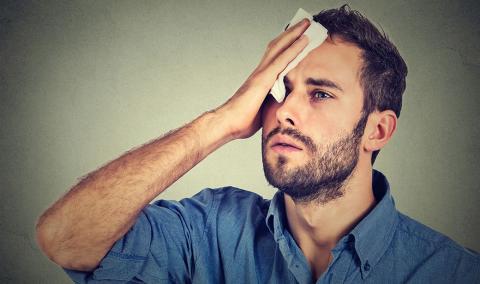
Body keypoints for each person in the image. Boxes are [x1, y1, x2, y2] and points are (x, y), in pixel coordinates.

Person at [35, 5, 479, 283]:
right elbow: (66, 239)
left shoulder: (453, 273)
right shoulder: (208, 231)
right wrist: (221, 121)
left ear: (377, 130)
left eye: (320, 94)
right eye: (279, 90)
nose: (284, 111)